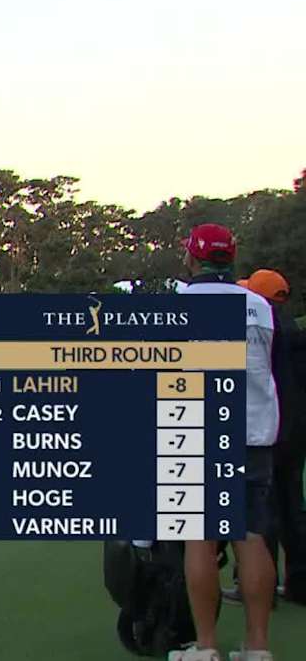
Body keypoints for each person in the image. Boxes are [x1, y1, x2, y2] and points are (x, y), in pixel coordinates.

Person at [171, 225, 280, 661]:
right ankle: (257, 647)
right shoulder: (259, 305)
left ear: (194, 259)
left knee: (200, 538)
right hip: (254, 430)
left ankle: (206, 646)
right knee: (250, 536)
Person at [245, 270, 304, 604]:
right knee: (294, 507)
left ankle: (260, 593)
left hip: (267, 430)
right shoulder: (291, 328)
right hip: (295, 430)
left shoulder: (262, 328)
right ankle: (300, 583)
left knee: (259, 517)